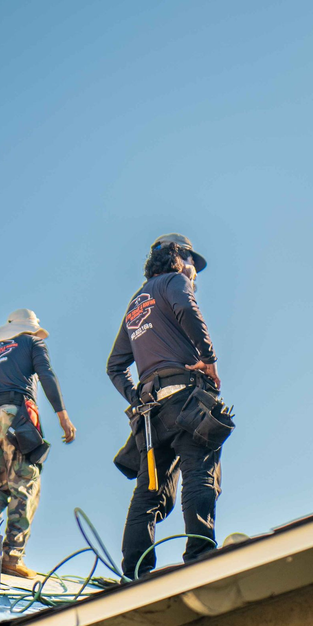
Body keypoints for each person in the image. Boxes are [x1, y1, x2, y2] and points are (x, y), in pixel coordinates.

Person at [107, 233, 224, 579]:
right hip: (186, 399)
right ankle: (201, 555)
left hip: (152, 415)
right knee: (200, 473)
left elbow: (114, 366)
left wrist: (139, 397)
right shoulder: (175, 282)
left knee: (149, 490)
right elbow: (186, 308)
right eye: (193, 263)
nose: (195, 272)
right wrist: (209, 359)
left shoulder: (136, 302)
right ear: (179, 258)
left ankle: (136, 572)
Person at [0, 309, 76, 579]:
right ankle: (13, 555)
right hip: (15, 418)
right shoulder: (32, 343)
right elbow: (46, 375)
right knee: (25, 482)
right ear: (30, 328)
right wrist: (63, 416)